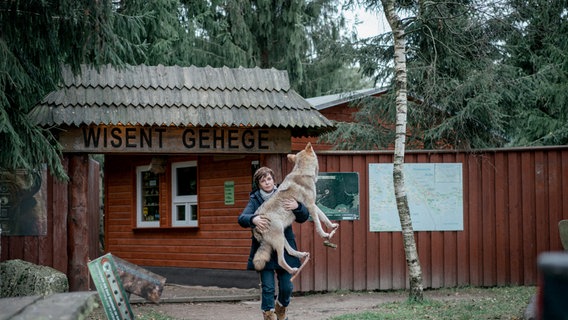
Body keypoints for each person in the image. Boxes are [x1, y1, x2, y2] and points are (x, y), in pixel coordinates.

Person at [238, 166, 310, 320]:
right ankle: (268, 313)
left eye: (269, 179)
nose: (267, 182)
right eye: (263, 180)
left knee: (287, 287)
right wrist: (253, 219)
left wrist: (297, 207)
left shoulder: (284, 194)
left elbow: (304, 217)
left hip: (284, 246)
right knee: (268, 287)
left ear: (273, 179)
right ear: (259, 184)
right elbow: (242, 218)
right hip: (265, 247)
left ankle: (281, 307)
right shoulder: (255, 199)